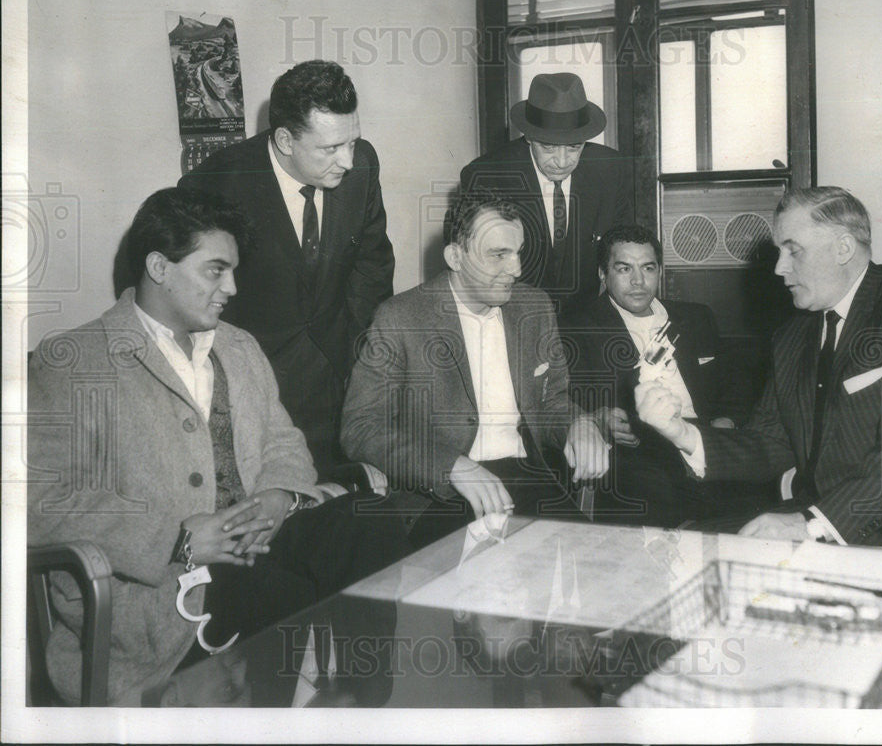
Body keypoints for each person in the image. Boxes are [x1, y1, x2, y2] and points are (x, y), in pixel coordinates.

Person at [27, 188, 407, 705]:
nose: (231, 286)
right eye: (215, 270)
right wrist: (176, 542)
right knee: (284, 594)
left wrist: (281, 496)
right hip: (158, 591)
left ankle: (362, 708)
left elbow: (283, 443)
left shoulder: (238, 346)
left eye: (233, 271)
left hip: (258, 547)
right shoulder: (74, 360)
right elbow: (40, 504)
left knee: (370, 520)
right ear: (159, 266)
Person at [635, 187, 882, 548]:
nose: (780, 267)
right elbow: (771, 442)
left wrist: (812, 524)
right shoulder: (794, 333)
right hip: (819, 517)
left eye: (792, 250)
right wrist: (679, 432)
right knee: (681, 545)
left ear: (843, 248)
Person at [340, 189, 610, 548]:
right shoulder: (400, 317)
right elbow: (360, 428)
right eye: (498, 255)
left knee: (596, 564)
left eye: (518, 253)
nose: (515, 269)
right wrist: (450, 466)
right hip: (441, 493)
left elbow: (552, 404)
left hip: (527, 479)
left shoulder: (534, 306)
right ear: (455, 256)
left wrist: (579, 424)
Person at [178, 59, 394, 479]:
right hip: (256, 384)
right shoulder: (217, 184)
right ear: (284, 140)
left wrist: (361, 360)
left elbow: (373, 268)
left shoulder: (363, 165)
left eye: (351, 142)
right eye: (330, 149)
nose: (347, 160)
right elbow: (189, 300)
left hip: (338, 373)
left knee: (339, 506)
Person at [559, 226, 768, 527]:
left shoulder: (696, 317)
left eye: (648, 268)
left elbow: (736, 383)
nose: (638, 281)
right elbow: (567, 400)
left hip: (707, 438)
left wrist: (727, 420)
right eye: (623, 269)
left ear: (660, 271)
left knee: (758, 512)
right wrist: (599, 420)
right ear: (603, 275)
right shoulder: (576, 329)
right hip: (641, 452)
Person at [459, 72, 633, 314]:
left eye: (574, 147)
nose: (562, 162)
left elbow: (624, 248)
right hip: (512, 314)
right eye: (548, 147)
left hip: (587, 316)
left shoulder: (611, 169)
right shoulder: (486, 176)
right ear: (529, 137)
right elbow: (475, 265)